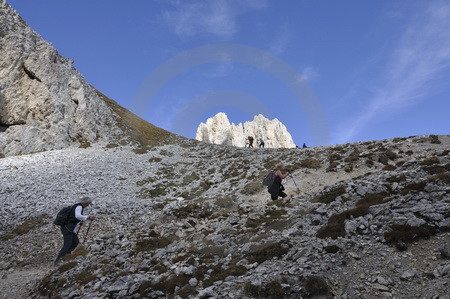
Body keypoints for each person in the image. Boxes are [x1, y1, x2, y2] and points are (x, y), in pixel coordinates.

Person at [55, 197, 95, 263]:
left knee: (75, 241)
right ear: (85, 202)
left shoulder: (77, 206)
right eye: (88, 203)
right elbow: (78, 216)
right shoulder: (79, 206)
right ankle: (59, 259)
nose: (88, 205)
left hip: (69, 228)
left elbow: (74, 217)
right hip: (68, 228)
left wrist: (80, 221)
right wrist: (88, 217)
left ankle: (66, 255)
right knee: (68, 244)